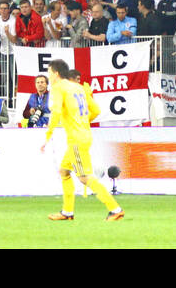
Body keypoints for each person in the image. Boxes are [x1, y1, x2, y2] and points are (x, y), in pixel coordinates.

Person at [41, 58, 124, 221]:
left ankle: (115, 209)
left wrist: (48, 135)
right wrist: (82, 122)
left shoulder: (58, 87)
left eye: (49, 72)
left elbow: (56, 112)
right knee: (64, 171)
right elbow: (95, 110)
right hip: (84, 134)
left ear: (56, 74)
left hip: (76, 139)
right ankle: (67, 212)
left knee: (84, 177)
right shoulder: (78, 87)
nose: (48, 76)